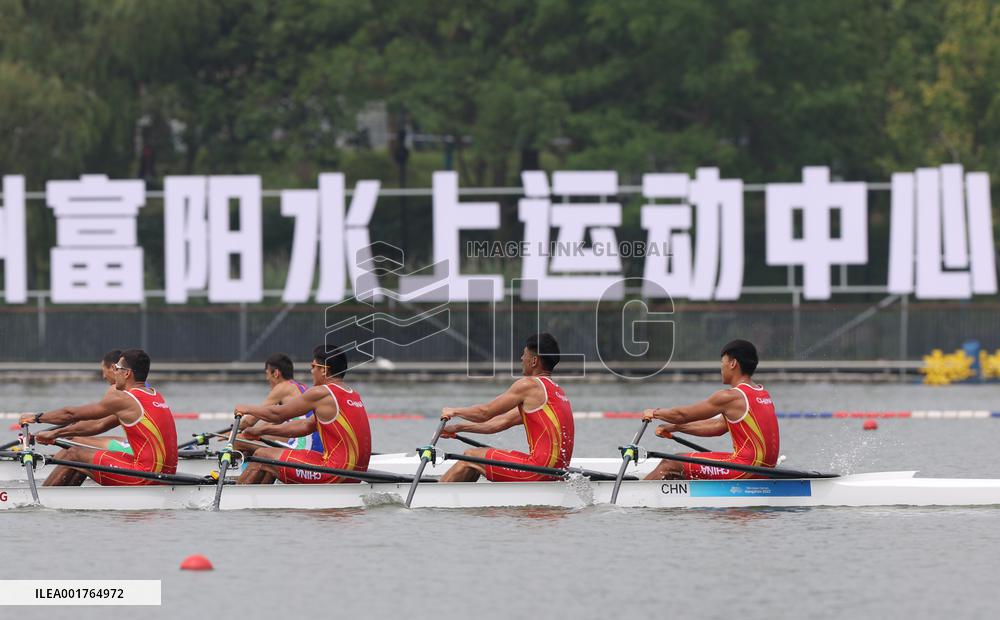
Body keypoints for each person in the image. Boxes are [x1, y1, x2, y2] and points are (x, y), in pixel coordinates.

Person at [20, 349, 178, 486]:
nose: (113, 372)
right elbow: (98, 426)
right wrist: (56, 434)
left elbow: (71, 414)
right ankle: (65, 500)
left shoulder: (125, 399)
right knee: (84, 457)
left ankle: (43, 499)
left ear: (127, 373)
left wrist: (37, 417)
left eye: (117, 368)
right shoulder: (155, 395)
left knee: (73, 454)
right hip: (166, 474)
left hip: (146, 476)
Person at [439, 333, 574, 483]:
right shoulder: (555, 392)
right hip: (556, 472)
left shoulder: (529, 385)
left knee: (470, 456)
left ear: (534, 360)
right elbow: (499, 422)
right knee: (476, 459)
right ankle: (461, 499)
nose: (522, 359)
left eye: (524, 355)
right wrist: (458, 428)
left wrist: (454, 411)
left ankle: (434, 499)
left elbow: (485, 412)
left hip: (538, 471)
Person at [641, 339, 779, 480]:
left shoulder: (730, 396)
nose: (721, 368)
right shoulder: (761, 393)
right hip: (765, 469)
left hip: (745, 469)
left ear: (733, 363)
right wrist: (675, 427)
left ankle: (637, 495)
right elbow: (717, 426)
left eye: (722, 363)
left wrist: (654, 413)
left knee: (670, 462)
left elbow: (682, 415)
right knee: (681, 467)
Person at [233, 344, 371, 484]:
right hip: (356, 473)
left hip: (335, 472)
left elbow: (278, 414)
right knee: (272, 459)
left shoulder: (321, 393)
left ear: (324, 370)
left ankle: (234, 499)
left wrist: (247, 408)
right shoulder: (353, 395)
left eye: (313, 366)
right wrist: (260, 430)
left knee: (262, 456)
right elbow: (305, 425)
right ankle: (261, 500)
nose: (311, 371)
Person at [38, 349, 135, 454]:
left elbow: (98, 425)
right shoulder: (143, 390)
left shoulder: (118, 392)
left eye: (103, 370)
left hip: (140, 452)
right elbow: (101, 420)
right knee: (76, 440)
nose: (103, 376)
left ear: (113, 368)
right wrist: (76, 424)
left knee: (75, 443)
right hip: (143, 445)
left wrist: (38, 419)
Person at [234, 353, 324, 456]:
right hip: (314, 446)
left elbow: (249, 421)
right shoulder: (301, 387)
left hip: (303, 447)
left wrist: (233, 432)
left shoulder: (282, 387)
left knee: (237, 441)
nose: (267, 379)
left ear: (276, 373)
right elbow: (273, 422)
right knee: (254, 438)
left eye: (267, 373)